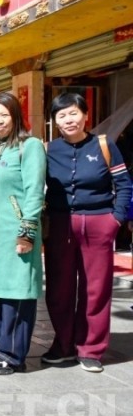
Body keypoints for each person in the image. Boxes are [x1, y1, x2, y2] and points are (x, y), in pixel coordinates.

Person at [43, 93, 132, 373]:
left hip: (98, 223)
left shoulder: (104, 144)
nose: (68, 119)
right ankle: (63, 344)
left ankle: (91, 348)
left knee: (96, 289)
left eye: (73, 113)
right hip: (60, 225)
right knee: (59, 289)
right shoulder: (48, 150)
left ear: (85, 115)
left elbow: (124, 184)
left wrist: (115, 220)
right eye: (61, 115)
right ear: (54, 121)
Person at [0, 92, 46, 376]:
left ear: (16, 115)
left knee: (16, 294)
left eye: (4, 115)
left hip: (15, 233)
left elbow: (34, 191)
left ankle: (13, 354)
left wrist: (27, 231)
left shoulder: (29, 146)